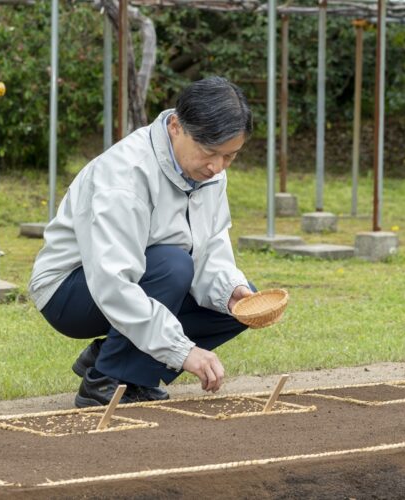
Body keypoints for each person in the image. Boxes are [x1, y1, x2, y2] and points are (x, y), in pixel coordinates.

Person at [29, 76, 255, 408]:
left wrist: (231, 291)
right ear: (176, 126)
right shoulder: (125, 175)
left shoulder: (210, 173)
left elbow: (210, 246)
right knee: (173, 266)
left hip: (143, 278)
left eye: (230, 157)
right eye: (210, 153)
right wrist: (182, 351)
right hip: (70, 290)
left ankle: (118, 362)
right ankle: (105, 380)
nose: (217, 167)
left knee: (236, 305)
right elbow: (113, 282)